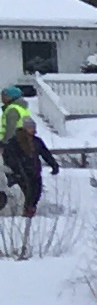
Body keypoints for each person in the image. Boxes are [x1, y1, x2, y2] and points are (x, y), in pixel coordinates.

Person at [1, 86, 51, 228]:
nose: (2, 98)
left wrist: (4, 144)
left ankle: (18, 203)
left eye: (4, 95)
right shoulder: (22, 109)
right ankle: (27, 205)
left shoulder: (12, 110)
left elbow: (9, 130)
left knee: (12, 173)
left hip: (12, 146)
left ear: (10, 97)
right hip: (22, 147)